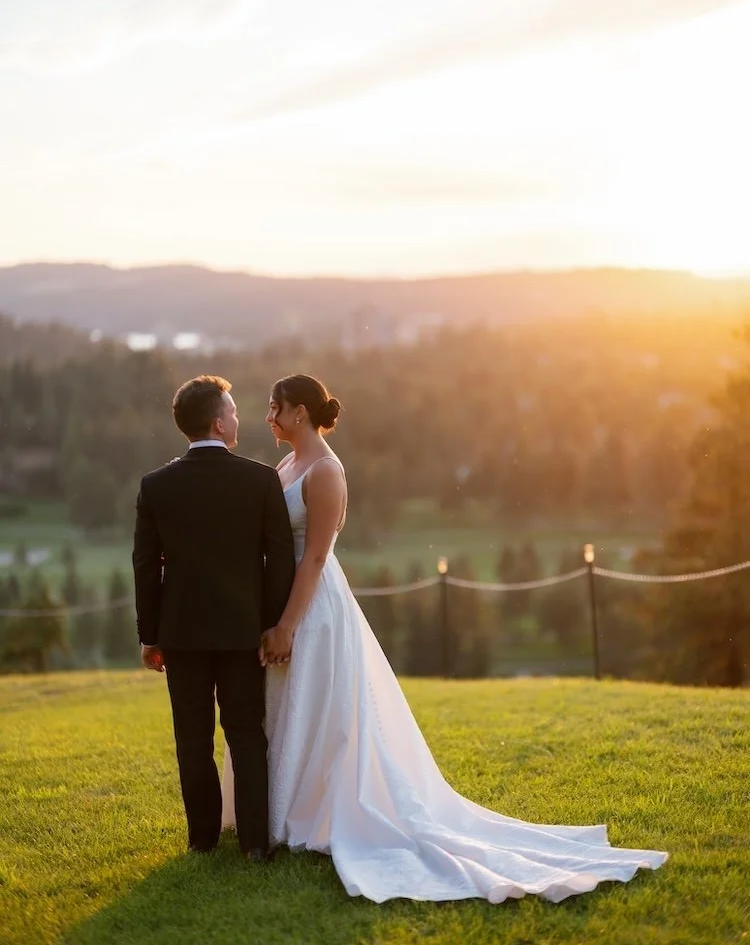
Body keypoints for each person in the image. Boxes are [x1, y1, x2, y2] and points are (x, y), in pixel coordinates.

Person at [221, 373, 668, 902]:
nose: (267, 417)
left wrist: (289, 623)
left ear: (299, 412)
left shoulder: (325, 472)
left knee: (320, 708)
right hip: (284, 597)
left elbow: (316, 556)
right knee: (289, 706)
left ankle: (319, 815)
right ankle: (288, 812)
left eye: (275, 408)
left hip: (312, 605)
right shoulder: (287, 463)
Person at [134, 375, 295, 861]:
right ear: (218, 422)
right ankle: (253, 844)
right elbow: (279, 560)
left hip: (180, 634)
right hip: (243, 631)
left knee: (192, 736)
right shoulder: (259, 480)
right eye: (233, 410)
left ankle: (201, 839)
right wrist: (272, 624)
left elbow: (145, 565)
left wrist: (149, 634)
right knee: (247, 734)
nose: (239, 418)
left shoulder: (156, 485)